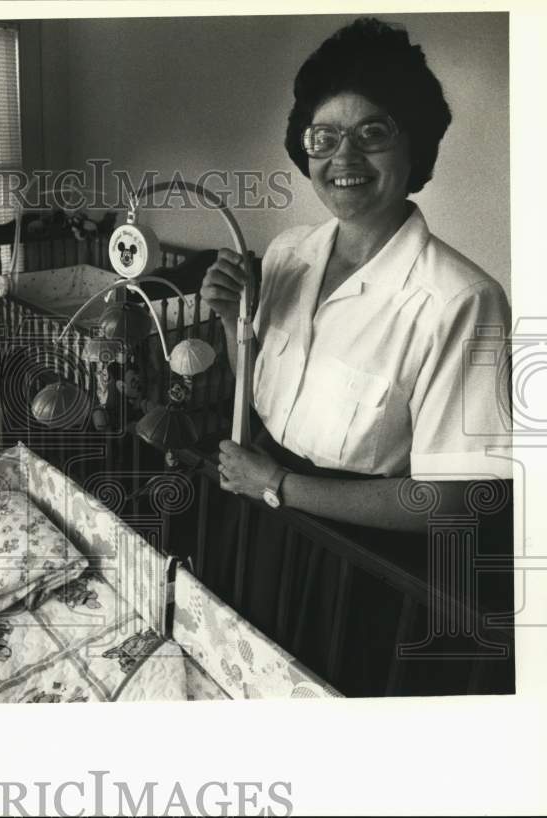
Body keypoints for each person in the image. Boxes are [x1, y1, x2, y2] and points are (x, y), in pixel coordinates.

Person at [201, 18, 511, 533]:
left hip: (357, 556)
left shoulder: (461, 300)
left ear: (415, 145)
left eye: (373, 131)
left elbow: (457, 500)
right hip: (258, 515)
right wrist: (229, 322)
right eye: (324, 137)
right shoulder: (286, 253)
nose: (344, 156)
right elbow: (262, 396)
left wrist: (278, 485)